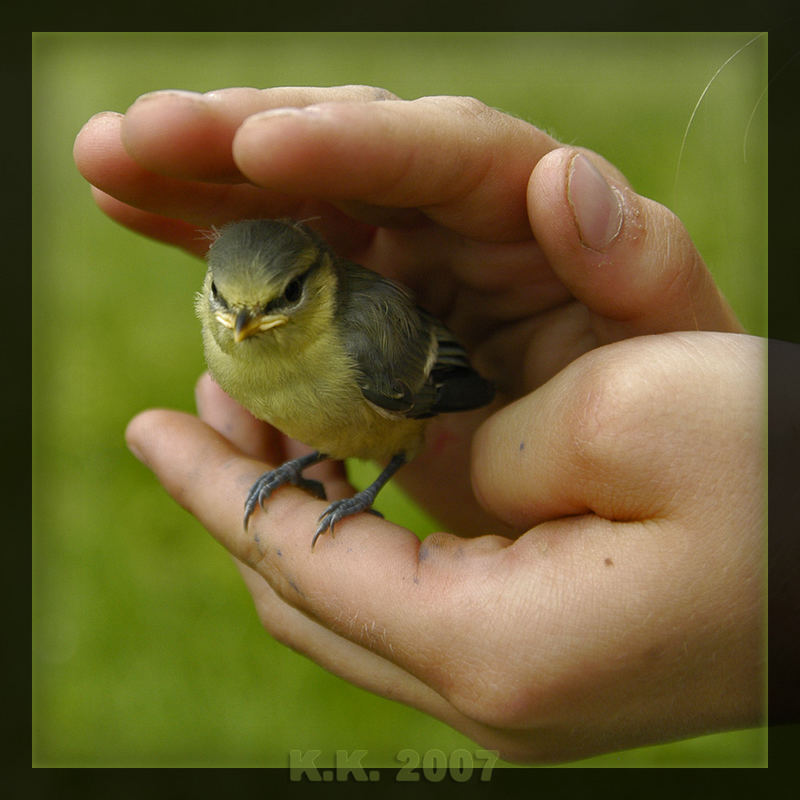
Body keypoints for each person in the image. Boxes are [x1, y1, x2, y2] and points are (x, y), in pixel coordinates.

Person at [73, 86, 766, 763]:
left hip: (397, 409)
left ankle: (356, 486)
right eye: (225, 305)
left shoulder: (361, 346)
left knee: (382, 438)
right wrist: (295, 464)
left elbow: (440, 388)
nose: (244, 325)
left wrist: (363, 498)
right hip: (330, 423)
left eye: (281, 300)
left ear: (319, 281)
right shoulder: (230, 332)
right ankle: (304, 464)